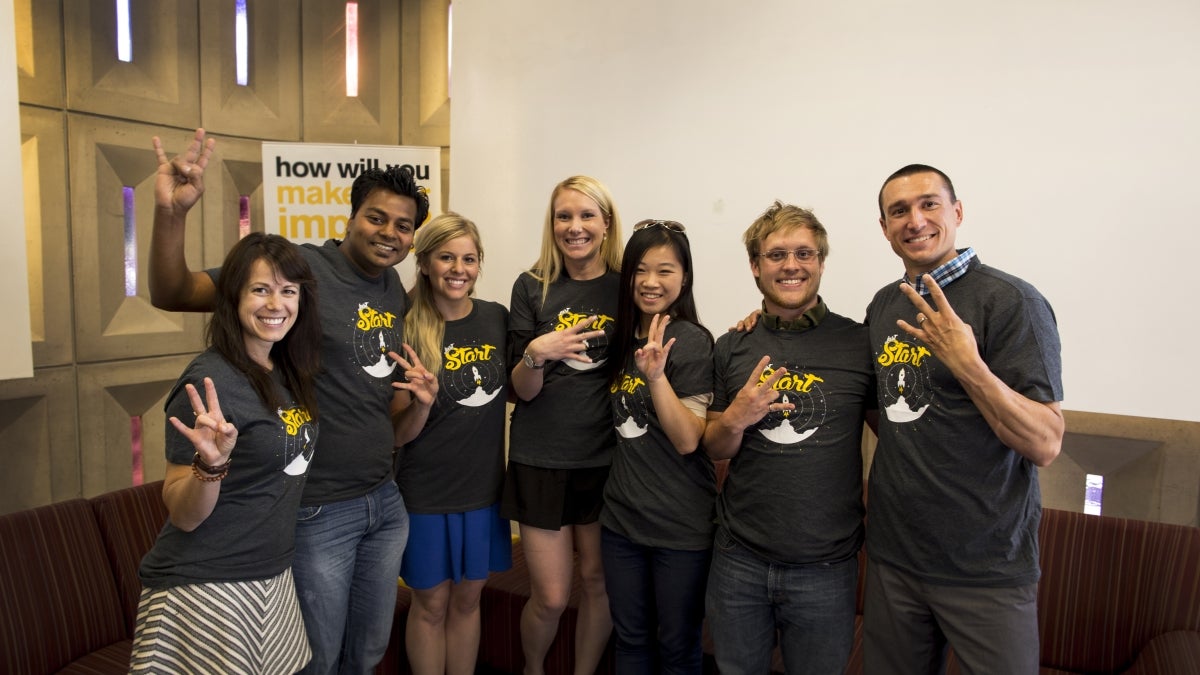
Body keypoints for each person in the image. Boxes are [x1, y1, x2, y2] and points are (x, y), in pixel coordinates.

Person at [147, 129, 437, 675]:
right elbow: (175, 293)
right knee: (317, 659)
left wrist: (420, 404)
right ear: (349, 218)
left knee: (370, 652)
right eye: (376, 217)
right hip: (317, 508)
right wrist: (171, 214)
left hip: (384, 499)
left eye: (403, 226)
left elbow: (371, 400)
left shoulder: (392, 288)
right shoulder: (298, 272)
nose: (389, 233)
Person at [863, 164, 1064, 674]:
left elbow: (1044, 442)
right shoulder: (885, 305)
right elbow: (883, 411)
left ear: (957, 212)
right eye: (899, 211)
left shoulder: (1010, 300)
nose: (915, 220)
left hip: (986, 566)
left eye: (929, 204)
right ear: (884, 228)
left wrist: (970, 366)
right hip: (895, 557)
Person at [130, 232, 321, 673]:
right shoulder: (208, 384)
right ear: (233, 296)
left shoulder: (286, 370)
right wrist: (209, 466)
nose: (276, 304)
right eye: (260, 289)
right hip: (208, 585)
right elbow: (183, 514)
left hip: (271, 576)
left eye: (288, 291)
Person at [703, 201, 874, 675]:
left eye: (805, 253)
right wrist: (736, 417)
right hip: (739, 559)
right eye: (777, 255)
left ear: (820, 262)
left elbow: (898, 437)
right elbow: (715, 447)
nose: (792, 265)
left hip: (827, 567)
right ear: (756, 267)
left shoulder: (860, 344)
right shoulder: (732, 344)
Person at [501, 175, 623, 675]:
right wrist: (536, 352)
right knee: (550, 597)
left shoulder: (625, 286)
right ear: (552, 225)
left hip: (607, 461)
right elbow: (519, 390)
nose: (575, 227)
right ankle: (534, 667)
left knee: (598, 584)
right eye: (564, 216)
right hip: (540, 461)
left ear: (606, 223)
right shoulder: (531, 287)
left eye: (586, 215)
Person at [392, 212, 513, 675]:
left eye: (469, 258)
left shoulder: (496, 318)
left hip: (483, 493)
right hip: (424, 496)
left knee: (467, 602)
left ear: (479, 264)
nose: (458, 268)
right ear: (424, 263)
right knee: (431, 606)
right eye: (446, 257)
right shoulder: (403, 327)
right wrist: (421, 405)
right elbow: (395, 436)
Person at [600, 219, 715, 674]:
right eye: (641, 270)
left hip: (680, 530)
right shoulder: (622, 341)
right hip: (621, 523)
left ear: (684, 277)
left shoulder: (690, 340)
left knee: (677, 648)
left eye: (665, 270)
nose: (650, 282)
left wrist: (658, 377)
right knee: (629, 642)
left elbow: (688, 439)